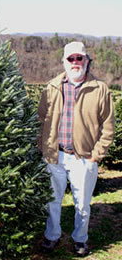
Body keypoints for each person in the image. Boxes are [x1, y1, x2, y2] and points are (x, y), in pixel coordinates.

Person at [37, 41, 114, 257]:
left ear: (86, 61)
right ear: (64, 62)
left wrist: (96, 156)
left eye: (79, 58)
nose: (75, 62)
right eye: (71, 59)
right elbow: (40, 120)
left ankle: (80, 239)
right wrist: (43, 149)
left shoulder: (100, 89)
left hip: (84, 158)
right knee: (52, 201)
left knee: (82, 205)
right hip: (55, 156)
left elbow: (108, 127)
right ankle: (52, 236)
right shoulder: (51, 87)